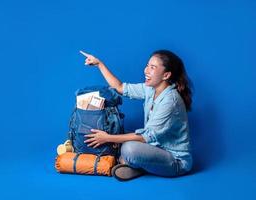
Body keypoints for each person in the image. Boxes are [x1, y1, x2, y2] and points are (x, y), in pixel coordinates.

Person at [80, 50, 193, 181]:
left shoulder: (170, 101)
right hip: (154, 148)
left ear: (166, 75)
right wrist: (99, 63)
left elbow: (146, 137)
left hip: (175, 161)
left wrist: (108, 138)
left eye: (153, 67)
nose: (146, 70)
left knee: (129, 149)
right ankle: (139, 164)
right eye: (147, 65)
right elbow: (120, 87)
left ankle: (137, 165)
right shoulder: (151, 89)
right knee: (117, 133)